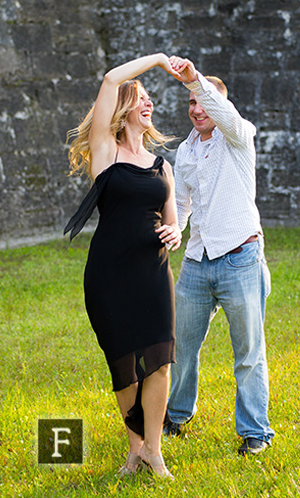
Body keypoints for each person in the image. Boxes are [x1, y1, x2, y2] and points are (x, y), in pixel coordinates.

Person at [64, 53, 183, 479]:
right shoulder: (105, 152)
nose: (148, 102)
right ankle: (135, 449)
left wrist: (176, 233)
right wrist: (158, 62)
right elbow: (112, 78)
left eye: (151, 98)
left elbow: (171, 219)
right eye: (141, 97)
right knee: (124, 364)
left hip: (154, 272)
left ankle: (153, 450)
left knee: (161, 359)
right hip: (110, 276)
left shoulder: (162, 166)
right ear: (123, 108)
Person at [163, 57, 274, 456]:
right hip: (196, 263)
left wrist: (196, 82)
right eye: (190, 104)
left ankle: (254, 432)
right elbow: (182, 203)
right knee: (180, 347)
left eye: (202, 102)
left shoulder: (238, 136)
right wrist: (175, 227)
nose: (196, 110)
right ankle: (175, 416)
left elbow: (225, 114)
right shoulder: (186, 152)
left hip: (240, 258)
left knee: (248, 352)